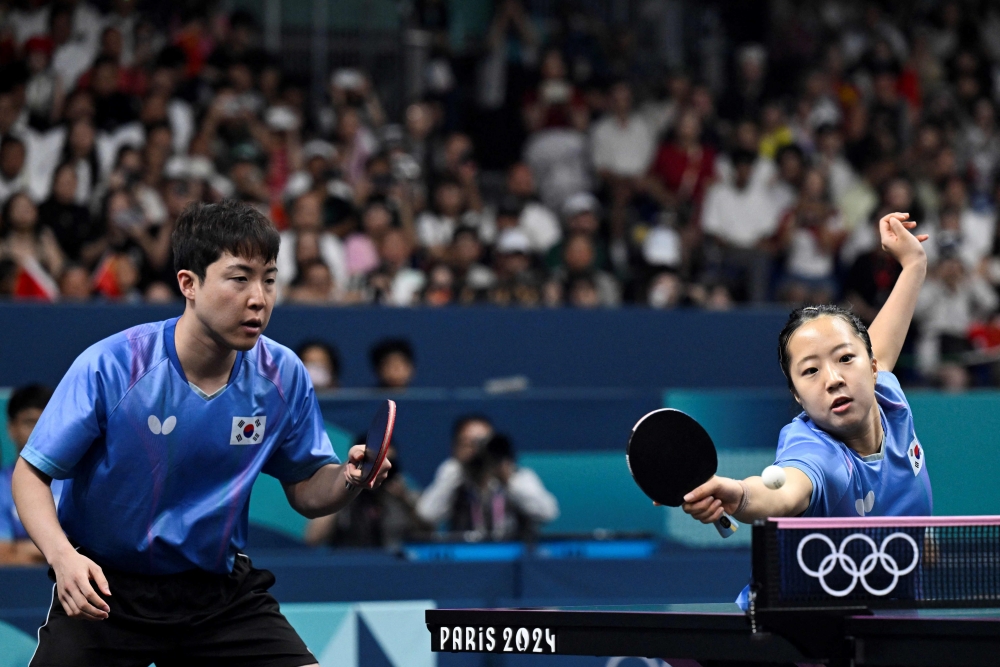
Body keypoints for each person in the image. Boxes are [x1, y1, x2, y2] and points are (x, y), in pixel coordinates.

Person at [11, 200, 390, 666]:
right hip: (106, 592)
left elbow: (307, 490)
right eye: (239, 278)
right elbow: (30, 474)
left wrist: (350, 478)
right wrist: (62, 558)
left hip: (217, 596)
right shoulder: (113, 366)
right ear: (189, 283)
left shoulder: (281, 374)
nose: (259, 298)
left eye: (269, 279)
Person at [682, 211, 932, 605]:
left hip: (889, 621)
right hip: (796, 634)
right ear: (797, 396)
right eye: (811, 370)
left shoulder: (888, 395)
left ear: (870, 368)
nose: (833, 379)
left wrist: (914, 264)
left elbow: (879, 347)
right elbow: (786, 491)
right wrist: (740, 495)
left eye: (845, 359)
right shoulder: (816, 450)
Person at [0, 384, 61, 565]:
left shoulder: (81, 482)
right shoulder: (2, 486)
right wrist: (64, 552)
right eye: (29, 422)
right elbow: (3, 554)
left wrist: (23, 548)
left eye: (46, 422)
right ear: (12, 428)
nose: (38, 432)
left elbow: (93, 553)